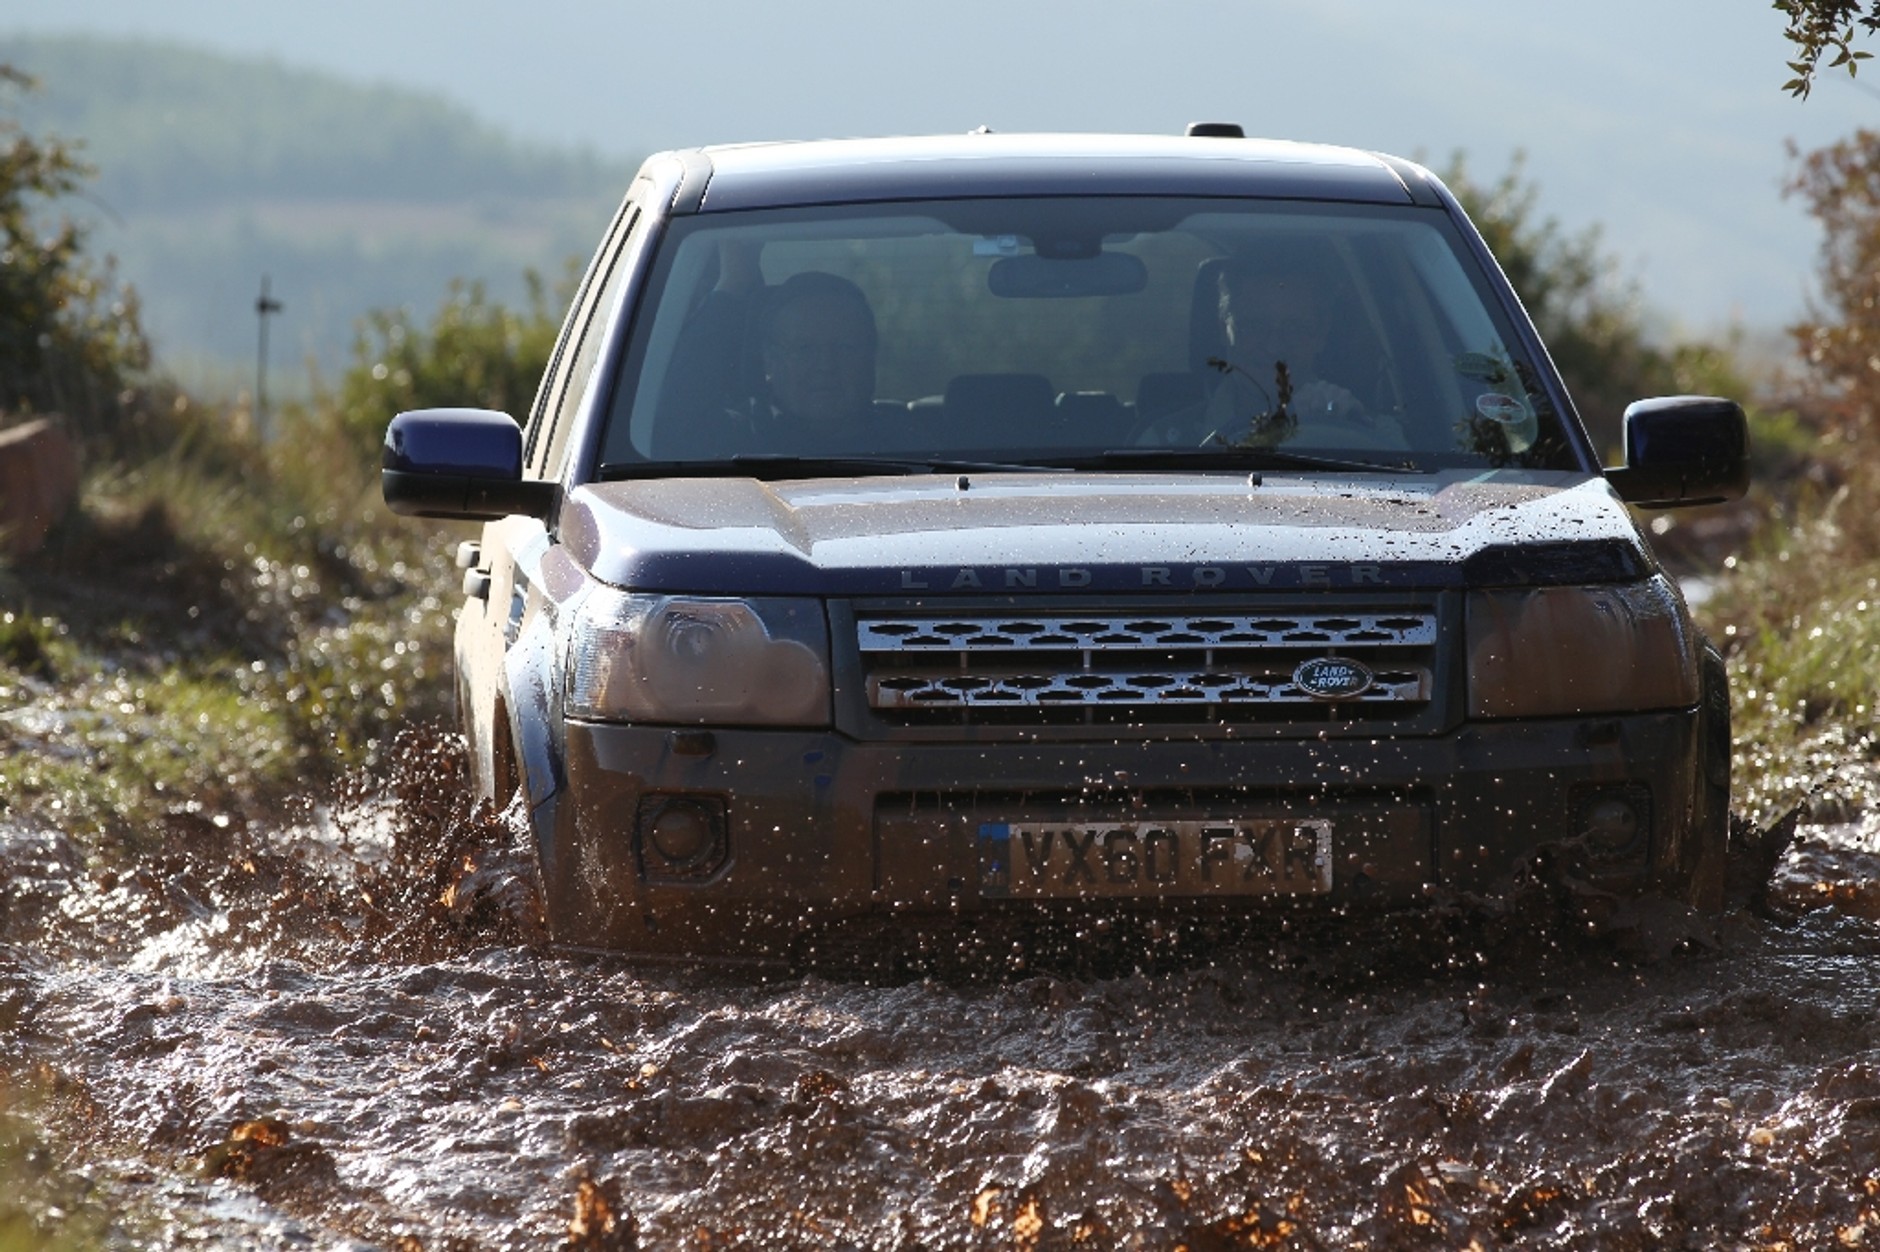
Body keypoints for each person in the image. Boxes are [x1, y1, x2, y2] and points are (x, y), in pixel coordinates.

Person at [752, 271, 880, 449]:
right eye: (805, 349)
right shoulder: (735, 443)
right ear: (769, 360)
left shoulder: (914, 446)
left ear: (871, 356)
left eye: (844, 347)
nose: (826, 365)